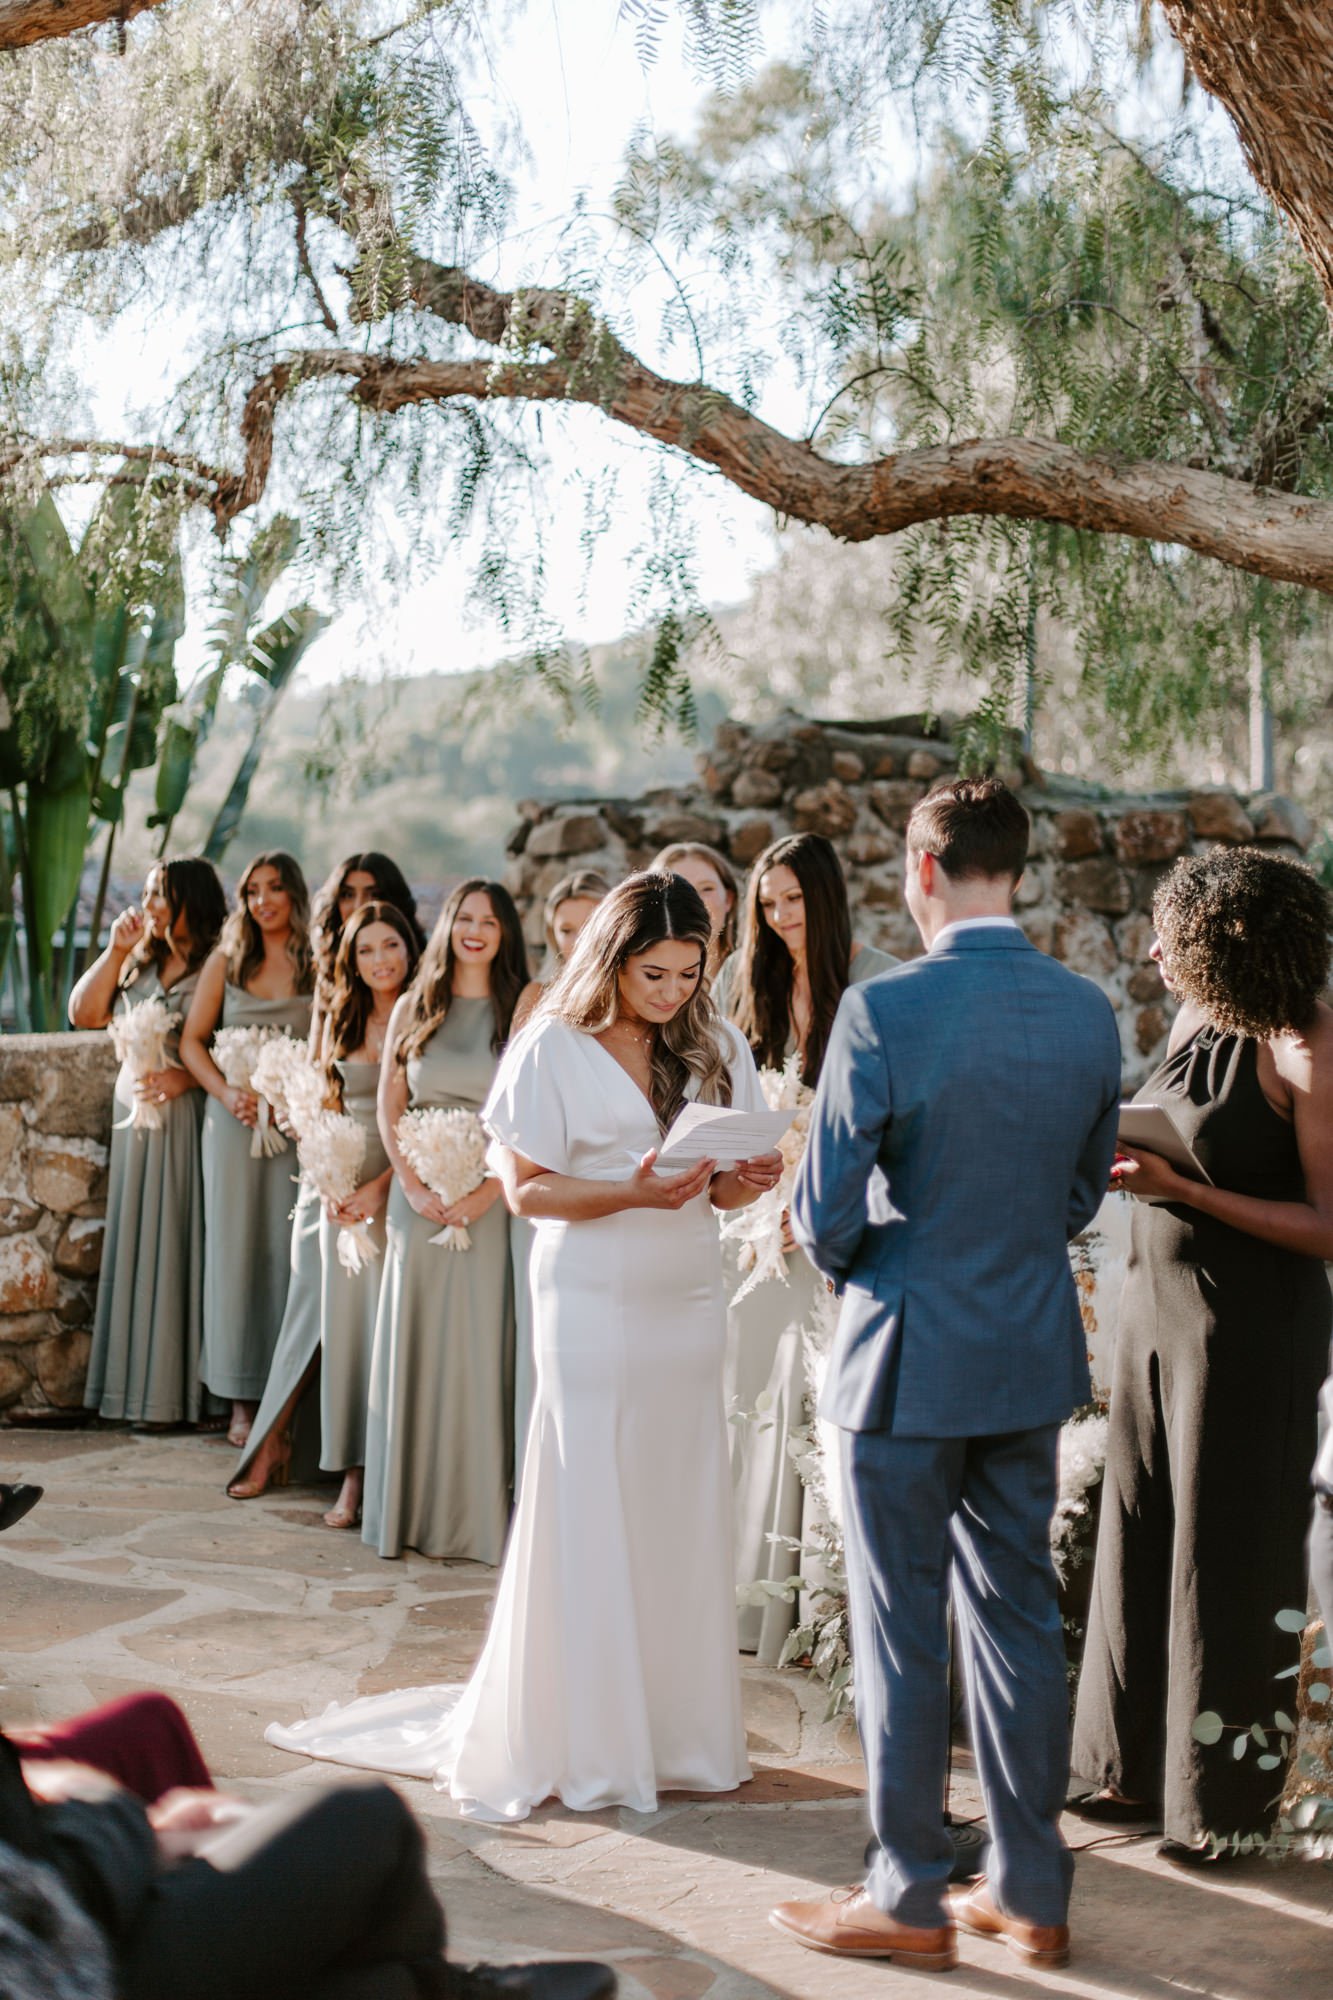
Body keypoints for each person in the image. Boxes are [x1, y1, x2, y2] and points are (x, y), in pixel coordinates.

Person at [266, 872, 783, 1821]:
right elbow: (527, 1190)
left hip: (684, 1296)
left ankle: (680, 1732)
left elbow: (719, 1194)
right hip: (589, 1296)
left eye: (686, 973)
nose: (672, 993)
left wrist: (750, 1175)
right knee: (591, 1489)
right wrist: (628, 1192)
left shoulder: (714, 1044)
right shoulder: (551, 1045)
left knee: (673, 1493)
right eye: (654, 973)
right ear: (613, 960)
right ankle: (586, 1729)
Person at [771, 778, 1121, 1971]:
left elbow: (820, 1214)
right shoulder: (1087, 1011)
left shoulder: (882, 1010)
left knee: (899, 1630)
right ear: (1012, 870)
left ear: (921, 869)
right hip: (1024, 1353)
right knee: (1020, 1616)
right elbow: (1079, 1194)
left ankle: (911, 1895)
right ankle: (1029, 1886)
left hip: (903, 1357)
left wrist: (876, 1255)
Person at [1071, 846, 1333, 1862]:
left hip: (1248, 1326)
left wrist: (1189, 1194)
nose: (1149, 951)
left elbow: (1326, 1222)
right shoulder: (1195, 1016)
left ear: (1227, 944)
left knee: (1226, 1549)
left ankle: (1217, 1801)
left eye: (1168, 937)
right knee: (1138, 1528)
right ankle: (1125, 1769)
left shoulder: (1304, 1044)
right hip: (1154, 1310)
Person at [0, 1725, 613, 2000]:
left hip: (56, 1924)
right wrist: (118, 1818)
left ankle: (418, 1988)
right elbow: (44, 1901)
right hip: (65, 1962)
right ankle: (439, 1991)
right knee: (366, 1818)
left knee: (359, 1984)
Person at [714, 830, 896, 1663]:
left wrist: (816, 1204)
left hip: (827, 1227)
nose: (781, 917)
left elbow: (892, 1123)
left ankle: (807, 1606)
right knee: (745, 1397)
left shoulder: (879, 979)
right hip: (747, 1220)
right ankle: (735, 1590)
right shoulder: (739, 983)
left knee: (808, 1405)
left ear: (825, 898)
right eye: (768, 903)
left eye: (794, 900)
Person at [228, 878, 420, 1508]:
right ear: (351, 958)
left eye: (391, 945)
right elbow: (315, 1096)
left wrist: (380, 1188)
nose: (380, 961)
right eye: (366, 950)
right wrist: (319, 1157)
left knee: (366, 1322)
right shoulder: (334, 1008)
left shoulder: (424, 1012)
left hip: (396, 1178)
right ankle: (277, 1438)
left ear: (411, 949)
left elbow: (436, 1112)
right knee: (312, 1312)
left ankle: (360, 1468)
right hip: (331, 1176)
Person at [360, 879, 527, 1562]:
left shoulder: (522, 1006)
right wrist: (409, 1181)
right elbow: (389, 1105)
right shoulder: (413, 1005)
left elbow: (528, 1112)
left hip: (488, 1207)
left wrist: (487, 1191)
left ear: (505, 932)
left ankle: (475, 1519)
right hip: (418, 1202)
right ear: (448, 925)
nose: (476, 930)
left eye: (489, 921)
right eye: (465, 917)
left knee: (478, 1349)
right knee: (417, 1345)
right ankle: (408, 1512)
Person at [72, 859, 228, 1429]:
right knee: (137, 1247)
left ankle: (183, 1396)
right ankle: (130, 1392)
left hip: (186, 1118)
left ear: (194, 898)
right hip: (134, 1121)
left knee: (185, 1244)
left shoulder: (219, 965)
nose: (151, 904)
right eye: (146, 893)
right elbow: (83, 1013)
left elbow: (229, 1045)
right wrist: (116, 951)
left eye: (161, 894)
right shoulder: (138, 964)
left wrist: (184, 1079)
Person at [180, 852, 315, 1449]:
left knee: (289, 1255)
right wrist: (227, 1091)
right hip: (232, 1127)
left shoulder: (318, 962)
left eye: (275, 889)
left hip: (296, 1127)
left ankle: (287, 1394)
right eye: (253, 890)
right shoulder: (226, 961)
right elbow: (191, 1042)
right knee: (234, 1253)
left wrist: (299, 1096)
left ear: (294, 895)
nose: (264, 901)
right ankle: (238, 1399)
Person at [508, 868, 610, 1469]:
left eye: (589, 925)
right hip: (549, 1183)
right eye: (564, 929)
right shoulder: (537, 1001)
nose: (576, 941)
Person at [650, 842, 738, 984]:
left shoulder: (759, 974)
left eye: (707, 888)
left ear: (728, 899)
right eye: (679, 890)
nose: (696, 900)